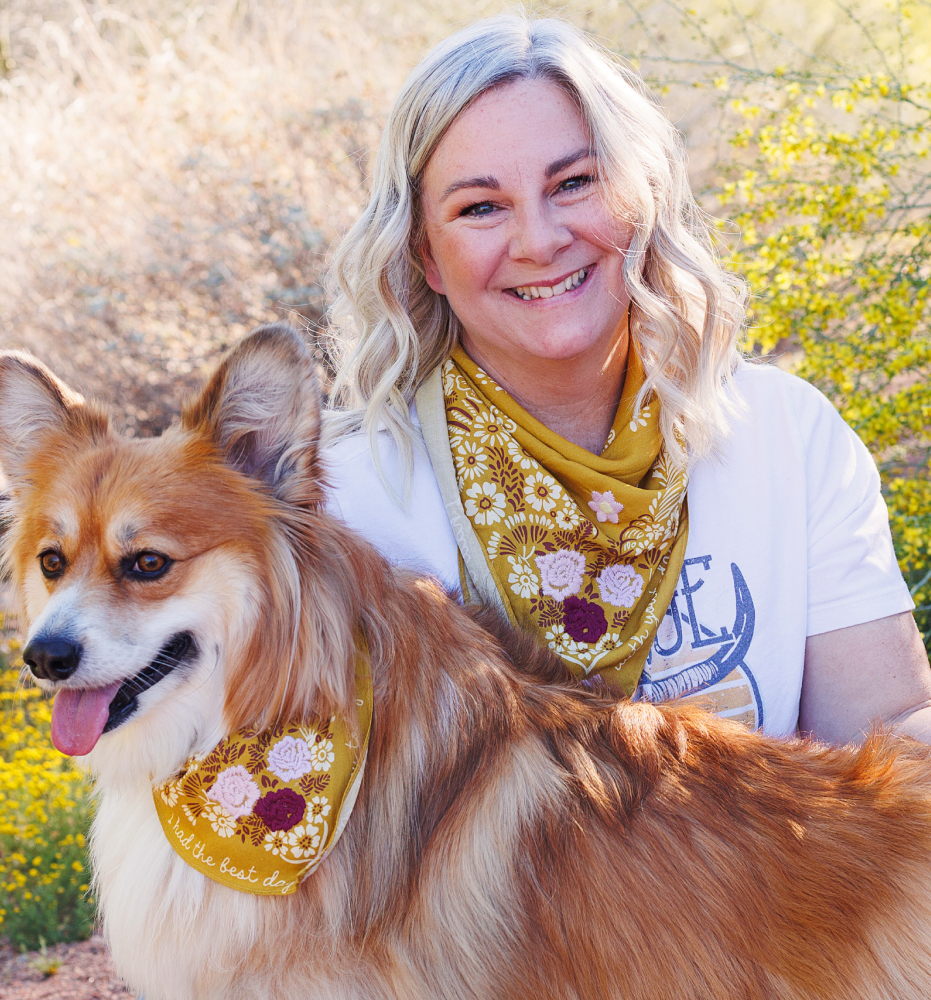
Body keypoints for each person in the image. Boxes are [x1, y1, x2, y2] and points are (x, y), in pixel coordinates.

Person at [320, 14, 931, 743]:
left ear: (640, 196)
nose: (541, 240)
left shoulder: (787, 437)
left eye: (574, 183)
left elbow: (889, 738)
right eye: (480, 207)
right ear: (425, 254)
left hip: (790, 859)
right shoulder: (343, 505)